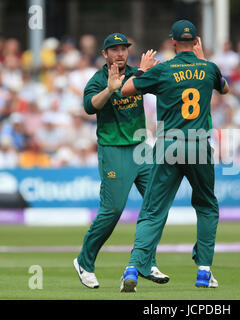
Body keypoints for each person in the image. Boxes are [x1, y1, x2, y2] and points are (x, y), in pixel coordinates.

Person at [119, 20, 229, 292]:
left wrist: (143, 69)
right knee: (206, 206)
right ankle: (204, 271)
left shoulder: (164, 69)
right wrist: (204, 60)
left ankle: (133, 266)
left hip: (169, 144)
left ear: (173, 42)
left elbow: (125, 90)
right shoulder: (209, 68)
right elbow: (224, 88)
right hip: (199, 144)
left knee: (153, 209)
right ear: (196, 42)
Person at [73, 32, 168, 289]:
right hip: (114, 148)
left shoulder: (138, 72)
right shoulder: (98, 78)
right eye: (114, 49)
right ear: (105, 54)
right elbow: (90, 106)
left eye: (123, 48)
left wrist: (162, 72)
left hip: (141, 148)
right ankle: (84, 261)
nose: (120, 53)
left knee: (156, 203)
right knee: (113, 210)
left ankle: (146, 262)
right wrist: (109, 89)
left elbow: (161, 85)